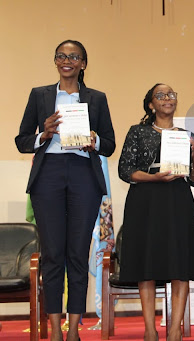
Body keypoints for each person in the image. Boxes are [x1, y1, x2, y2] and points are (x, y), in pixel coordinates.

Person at [15, 39, 115, 341]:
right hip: (49, 175)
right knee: (52, 254)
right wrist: (43, 133)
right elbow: (21, 140)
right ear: (55, 61)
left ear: (83, 63)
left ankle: (74, 330)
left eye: (74, 56)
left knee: (77, 253)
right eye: (61, 55)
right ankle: (56, 330)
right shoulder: (40, 95)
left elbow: (109, 145)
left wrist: (94, 140)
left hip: (84, 173)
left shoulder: (97, 98)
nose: (67, 60)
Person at [118, 83, 194, 341]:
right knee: (146, 263)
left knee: (180, 264)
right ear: (151, 104)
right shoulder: (137, 132)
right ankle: (149, 330)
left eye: (171, 95)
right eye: (161, 95)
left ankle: (175, 330)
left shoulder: (185, 134)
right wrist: (154, 178)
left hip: (177, 200)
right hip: (145, 201)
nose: (168, 98)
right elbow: (126, 171)